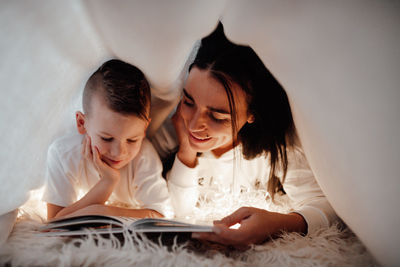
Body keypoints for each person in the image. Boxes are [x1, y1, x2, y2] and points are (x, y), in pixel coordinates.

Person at [153, 22, 339, 246]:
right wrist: (186, 152)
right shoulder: (171, 129)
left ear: (251, 114)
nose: (193, 124)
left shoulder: (280, 146)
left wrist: (280, 223)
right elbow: (177, 209)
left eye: (218, 117)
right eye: (189, 101)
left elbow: (325, 207)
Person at [43, 59, 173, 220]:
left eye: (132, 140)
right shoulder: (63, 153)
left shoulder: (144, 156)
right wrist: (108, 183)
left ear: (144, 129)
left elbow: (162, 214)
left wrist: (103, 212)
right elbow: (54, 221)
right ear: (82, 123)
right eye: (107, 138)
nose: (119, 153)